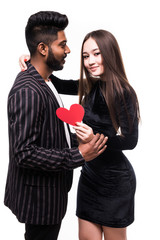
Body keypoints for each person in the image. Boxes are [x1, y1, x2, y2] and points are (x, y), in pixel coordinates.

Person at [19, 29, 140, 240]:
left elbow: (130, 141)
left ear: (110, 53)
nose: (90, 61)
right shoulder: (92, 83)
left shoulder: (123, 91)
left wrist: (95, 138)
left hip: (115, 181)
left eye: (97, 53)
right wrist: (32, 61)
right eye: (86, 56)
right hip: (89, 176)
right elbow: (57, 83)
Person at [4, 12, 107, 240]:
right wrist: (79, 154)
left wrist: (76, 139)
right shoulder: (28, 90)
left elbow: (48, 132)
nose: (68, 50)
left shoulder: (46, 80)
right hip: (40, 202)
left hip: (48, 196)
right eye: (63, 44)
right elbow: (24, 153)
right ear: (43, 48)